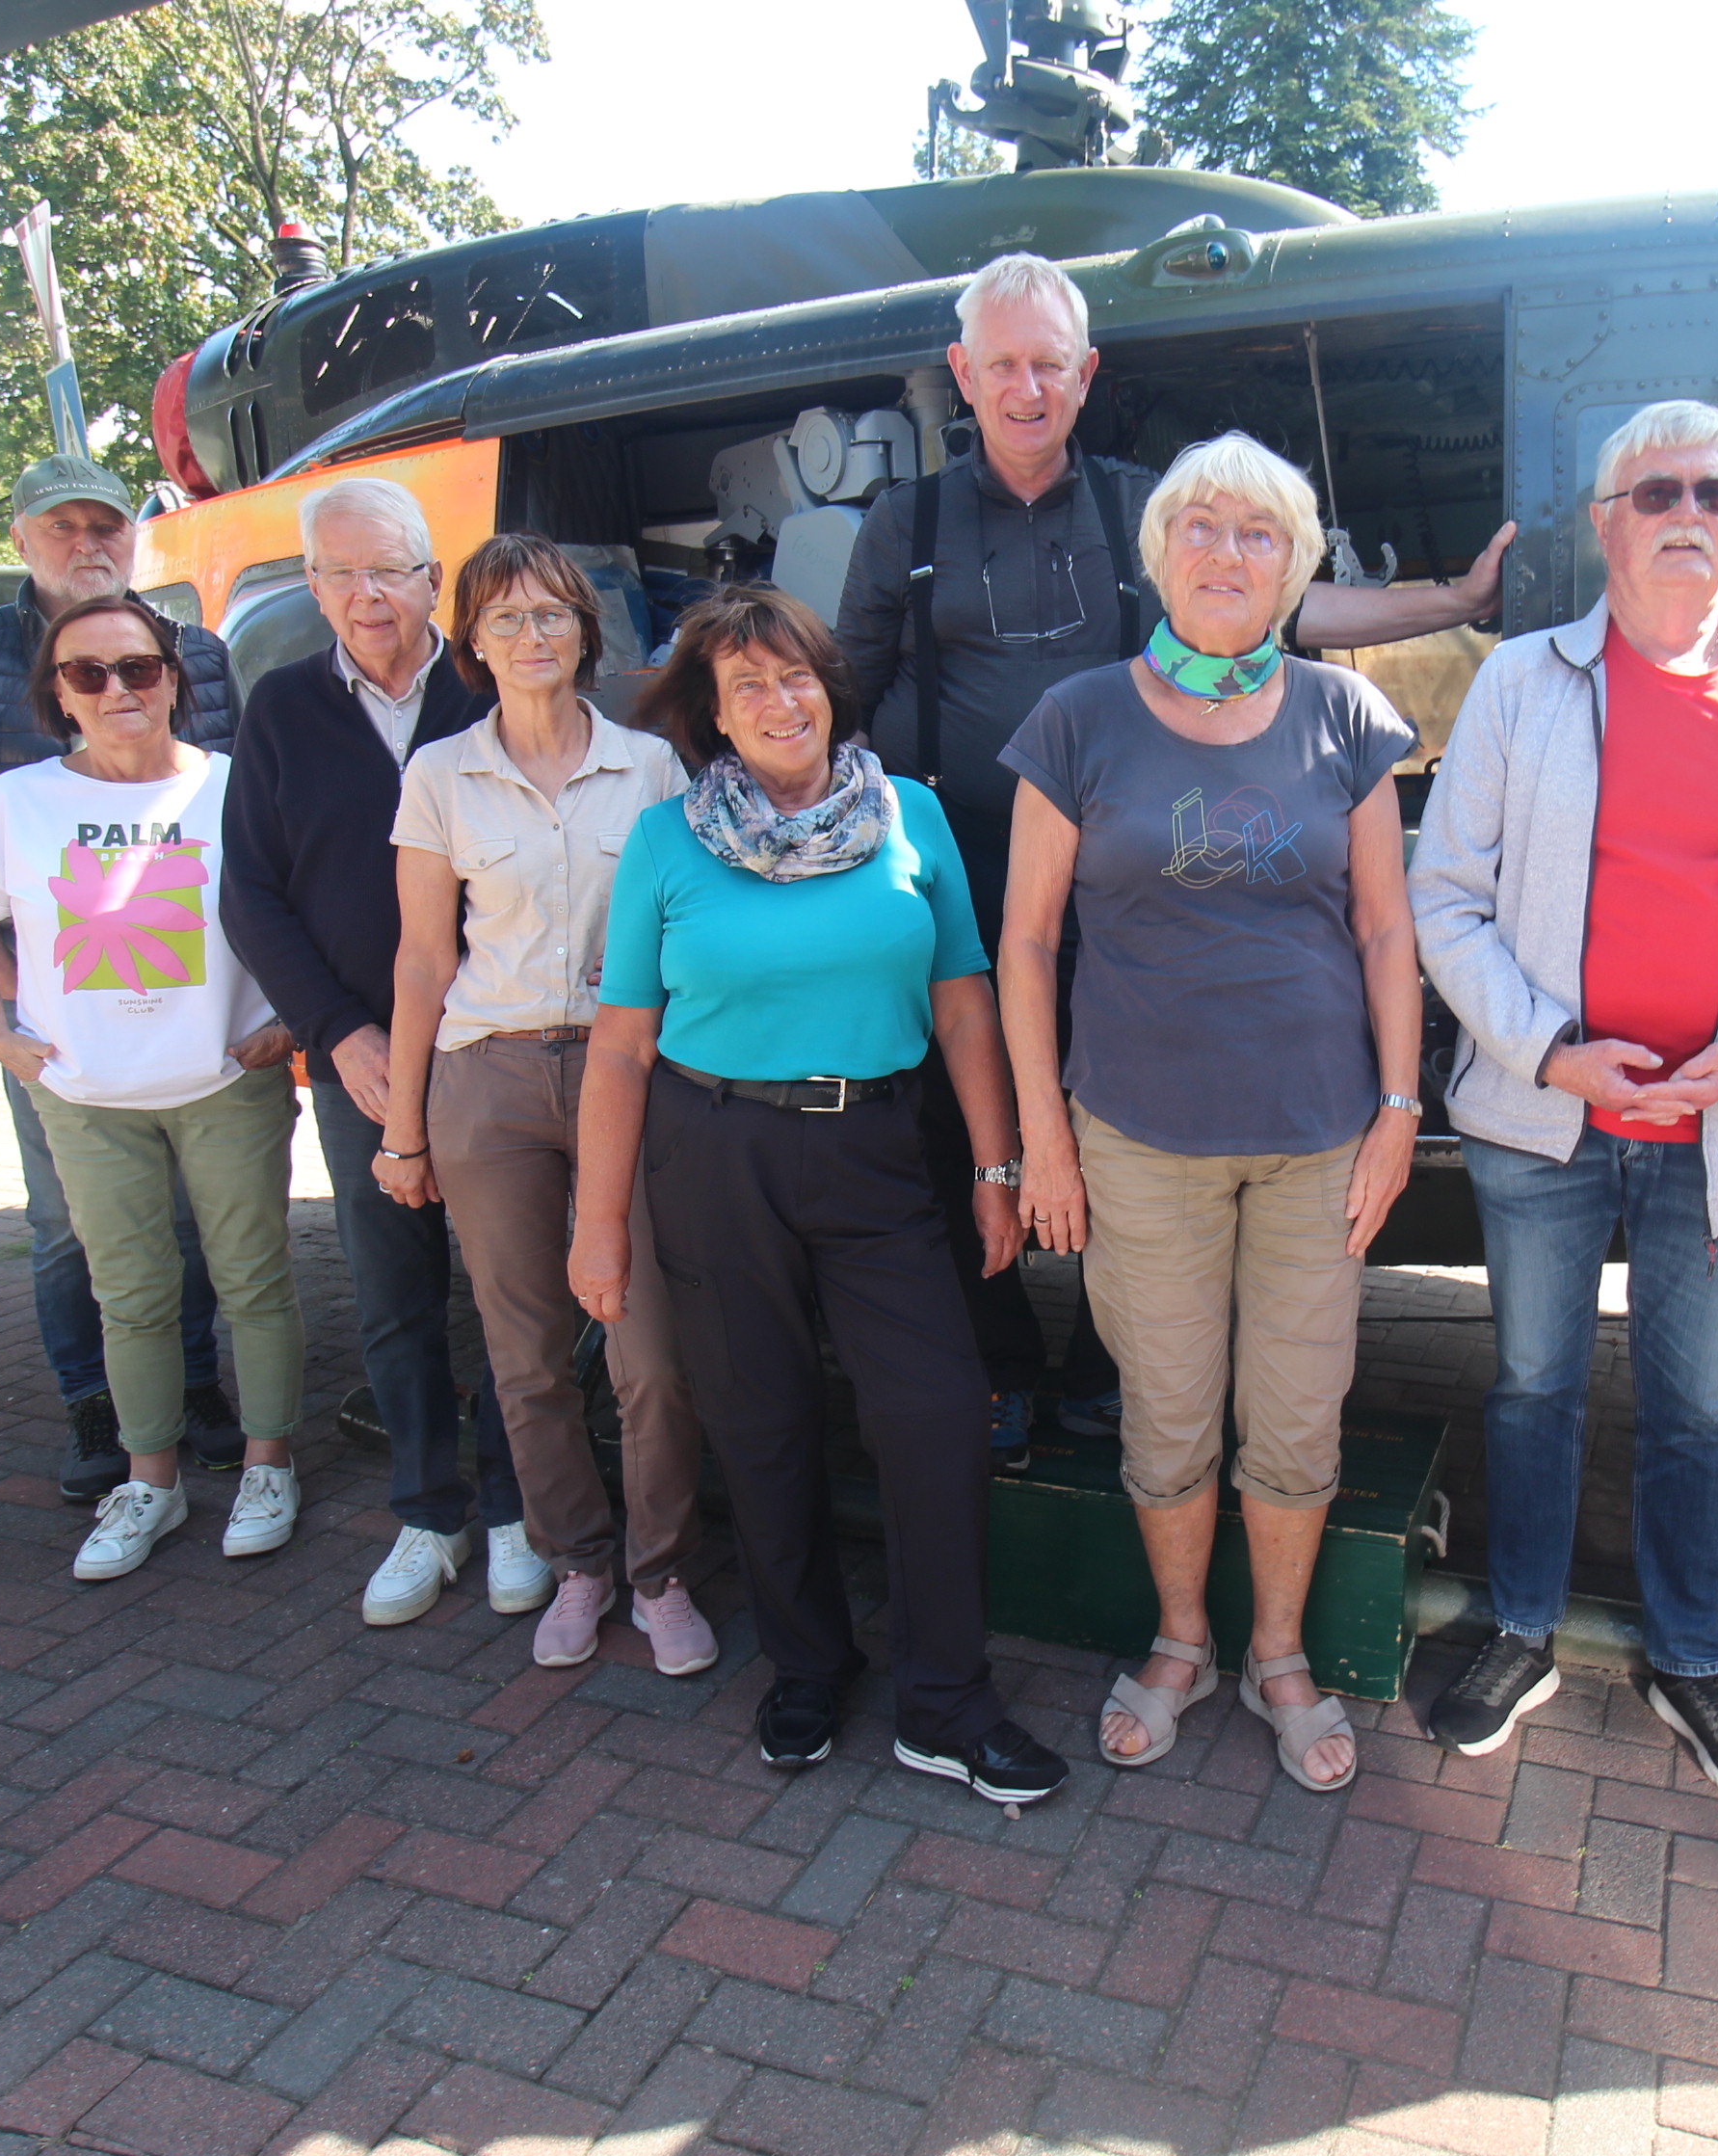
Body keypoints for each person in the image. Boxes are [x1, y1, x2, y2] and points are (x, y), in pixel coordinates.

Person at [835, 250, 1516, 1475]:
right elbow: (845, 700)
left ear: (1086, 374)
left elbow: (1283, 605)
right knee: (962, 1127)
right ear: (963, 374)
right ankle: (999, 1363)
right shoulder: (906, 524)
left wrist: (1455, 602)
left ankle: (1110, 1373)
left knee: (1118, 1125)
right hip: (955, 878)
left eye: (1050, 365)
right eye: (1004, 366)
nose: (1028, 388)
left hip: (1126, 877)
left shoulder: (1138, 508)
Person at [1409, 401, 1718, 1800]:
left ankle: (1692, 1655)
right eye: (1659, 491)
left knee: (1698, 1410)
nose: (1690, 514)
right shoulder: (1522, 684)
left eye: (1716, 493)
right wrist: (1549, 1051)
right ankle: (1522, 1631)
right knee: (1534, 1388)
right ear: (1605, 523)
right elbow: (1446, 897)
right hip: (1544, 1121)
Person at [568, 584, 1065, 1807]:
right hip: (714, 1152)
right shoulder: (666, 841)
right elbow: (621, 1050)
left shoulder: (912, 818)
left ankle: (945, 1702)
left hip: (882, 1150)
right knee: (762, 1419)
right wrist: (598, 1224)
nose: (779, 701)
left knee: (937, 1415)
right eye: (747, 684)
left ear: (830, 688)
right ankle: (806, 1665)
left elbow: (965, 1009)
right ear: (713, 713)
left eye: (795, 676)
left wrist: (996, 1169)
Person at [1000, 432, 1421, 1794]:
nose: (1227, 552)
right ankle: (1182, 1637)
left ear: (1292, 566)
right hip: (1137, 1136)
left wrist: (1401, 1108)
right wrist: (1043, 1139)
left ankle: (1278, 1654)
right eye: (1202, 525)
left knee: (1297, 1417)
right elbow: (1025, 945)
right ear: (1160, 551)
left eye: (1258, 533)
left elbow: (1386, 928)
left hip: (1319, 1139)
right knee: (1168, 1412)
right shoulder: (1077, 718)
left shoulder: (1344, 716)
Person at [380, 537, 711, 1668]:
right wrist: (404, 1126)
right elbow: (423, 960)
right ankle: (578, 1563)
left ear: (584, 631)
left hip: (631, 1074)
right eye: (506, 618)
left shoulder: (651, 768)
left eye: (553, 615)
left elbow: (688, 928)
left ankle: (662, 1573)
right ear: (472, 641)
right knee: (523, 1355)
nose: (533, 636)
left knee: (649, 1354)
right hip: (491, 1074)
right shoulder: (440, 775)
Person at [0, 595, 302, 1584]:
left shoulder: (239, 786)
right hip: (87, 1095)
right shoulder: (17, 803)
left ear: (172, 679)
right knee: (129, 1295)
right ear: (59, 694)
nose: (116, 689)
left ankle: (268, 1465)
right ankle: (150, 1481)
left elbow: (314, 908)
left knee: (254, 1281)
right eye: (87, 673)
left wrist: (293, 1022)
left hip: (227, 1081)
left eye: (137, 667)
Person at [0, 454, 246, 1504]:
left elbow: (233, 815)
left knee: (184, 1211)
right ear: (21, 539)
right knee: (65, 1222)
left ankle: (191, 1387)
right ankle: (93, 1403)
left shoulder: (198, 652)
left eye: (106, 524)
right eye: (63, 527)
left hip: (183, 988)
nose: (88, 543)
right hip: (53, 993)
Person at [219, 475, 522, 1618]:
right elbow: (251, 894)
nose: (366, 595)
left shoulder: (493, 691)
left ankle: (517, 1506)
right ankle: (428, 1513)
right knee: (395, 1295)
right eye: (339, 574)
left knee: (513, 1293)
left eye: (388, 570)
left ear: (431, 578)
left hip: (495, 1052)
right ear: (311, 586)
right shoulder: (282, 709)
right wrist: (336, 1036)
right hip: (364, 1065)